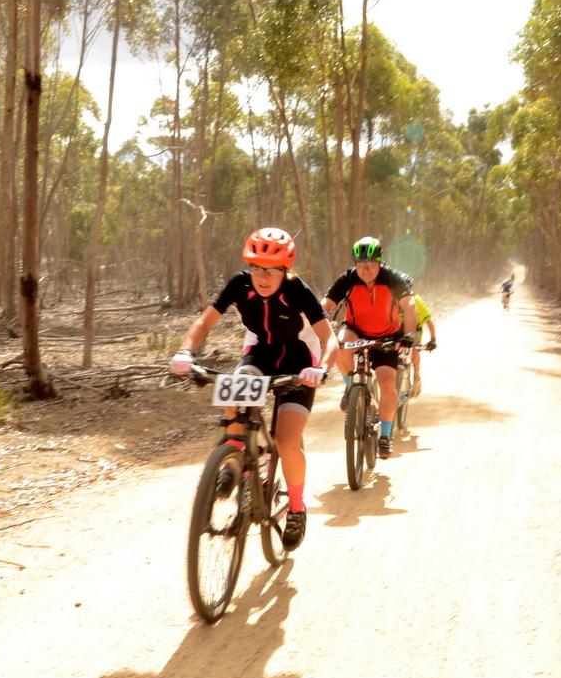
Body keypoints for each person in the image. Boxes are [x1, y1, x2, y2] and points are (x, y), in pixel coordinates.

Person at [169, 228, 332, 550]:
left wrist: (321, 368)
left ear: (285, 270)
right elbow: (204, 322)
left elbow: (330, 338)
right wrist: (186, 351)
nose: (262, 276)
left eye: (270, 270)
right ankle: (233, 458)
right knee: (234, 402)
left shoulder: (297, 290)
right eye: (256, 267)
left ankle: (297, 507)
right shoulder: (240, 284)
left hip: (299, 363)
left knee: (286, 442)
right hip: (259, 354)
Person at [323, 236, 417, 459]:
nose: (365, 269)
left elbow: (410, 306)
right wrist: (320, 320)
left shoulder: (391, 278)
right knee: (339, 345)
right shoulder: (347, 278)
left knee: (387, 384)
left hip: (387, 336)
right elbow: (326, 304)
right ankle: (350, 387)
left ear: (380, 263)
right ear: (355, 264)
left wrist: (409, 336)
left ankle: (385, 436)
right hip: (356, 330)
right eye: (361, 264)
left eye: (371, 264)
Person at [408, 293, 438, 396]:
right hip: (397, 329)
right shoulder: (390, 297)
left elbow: (429, 321)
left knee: (414, 350)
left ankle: (416, 375)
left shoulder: (416, 301)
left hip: (415, 330)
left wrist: (433, 339)